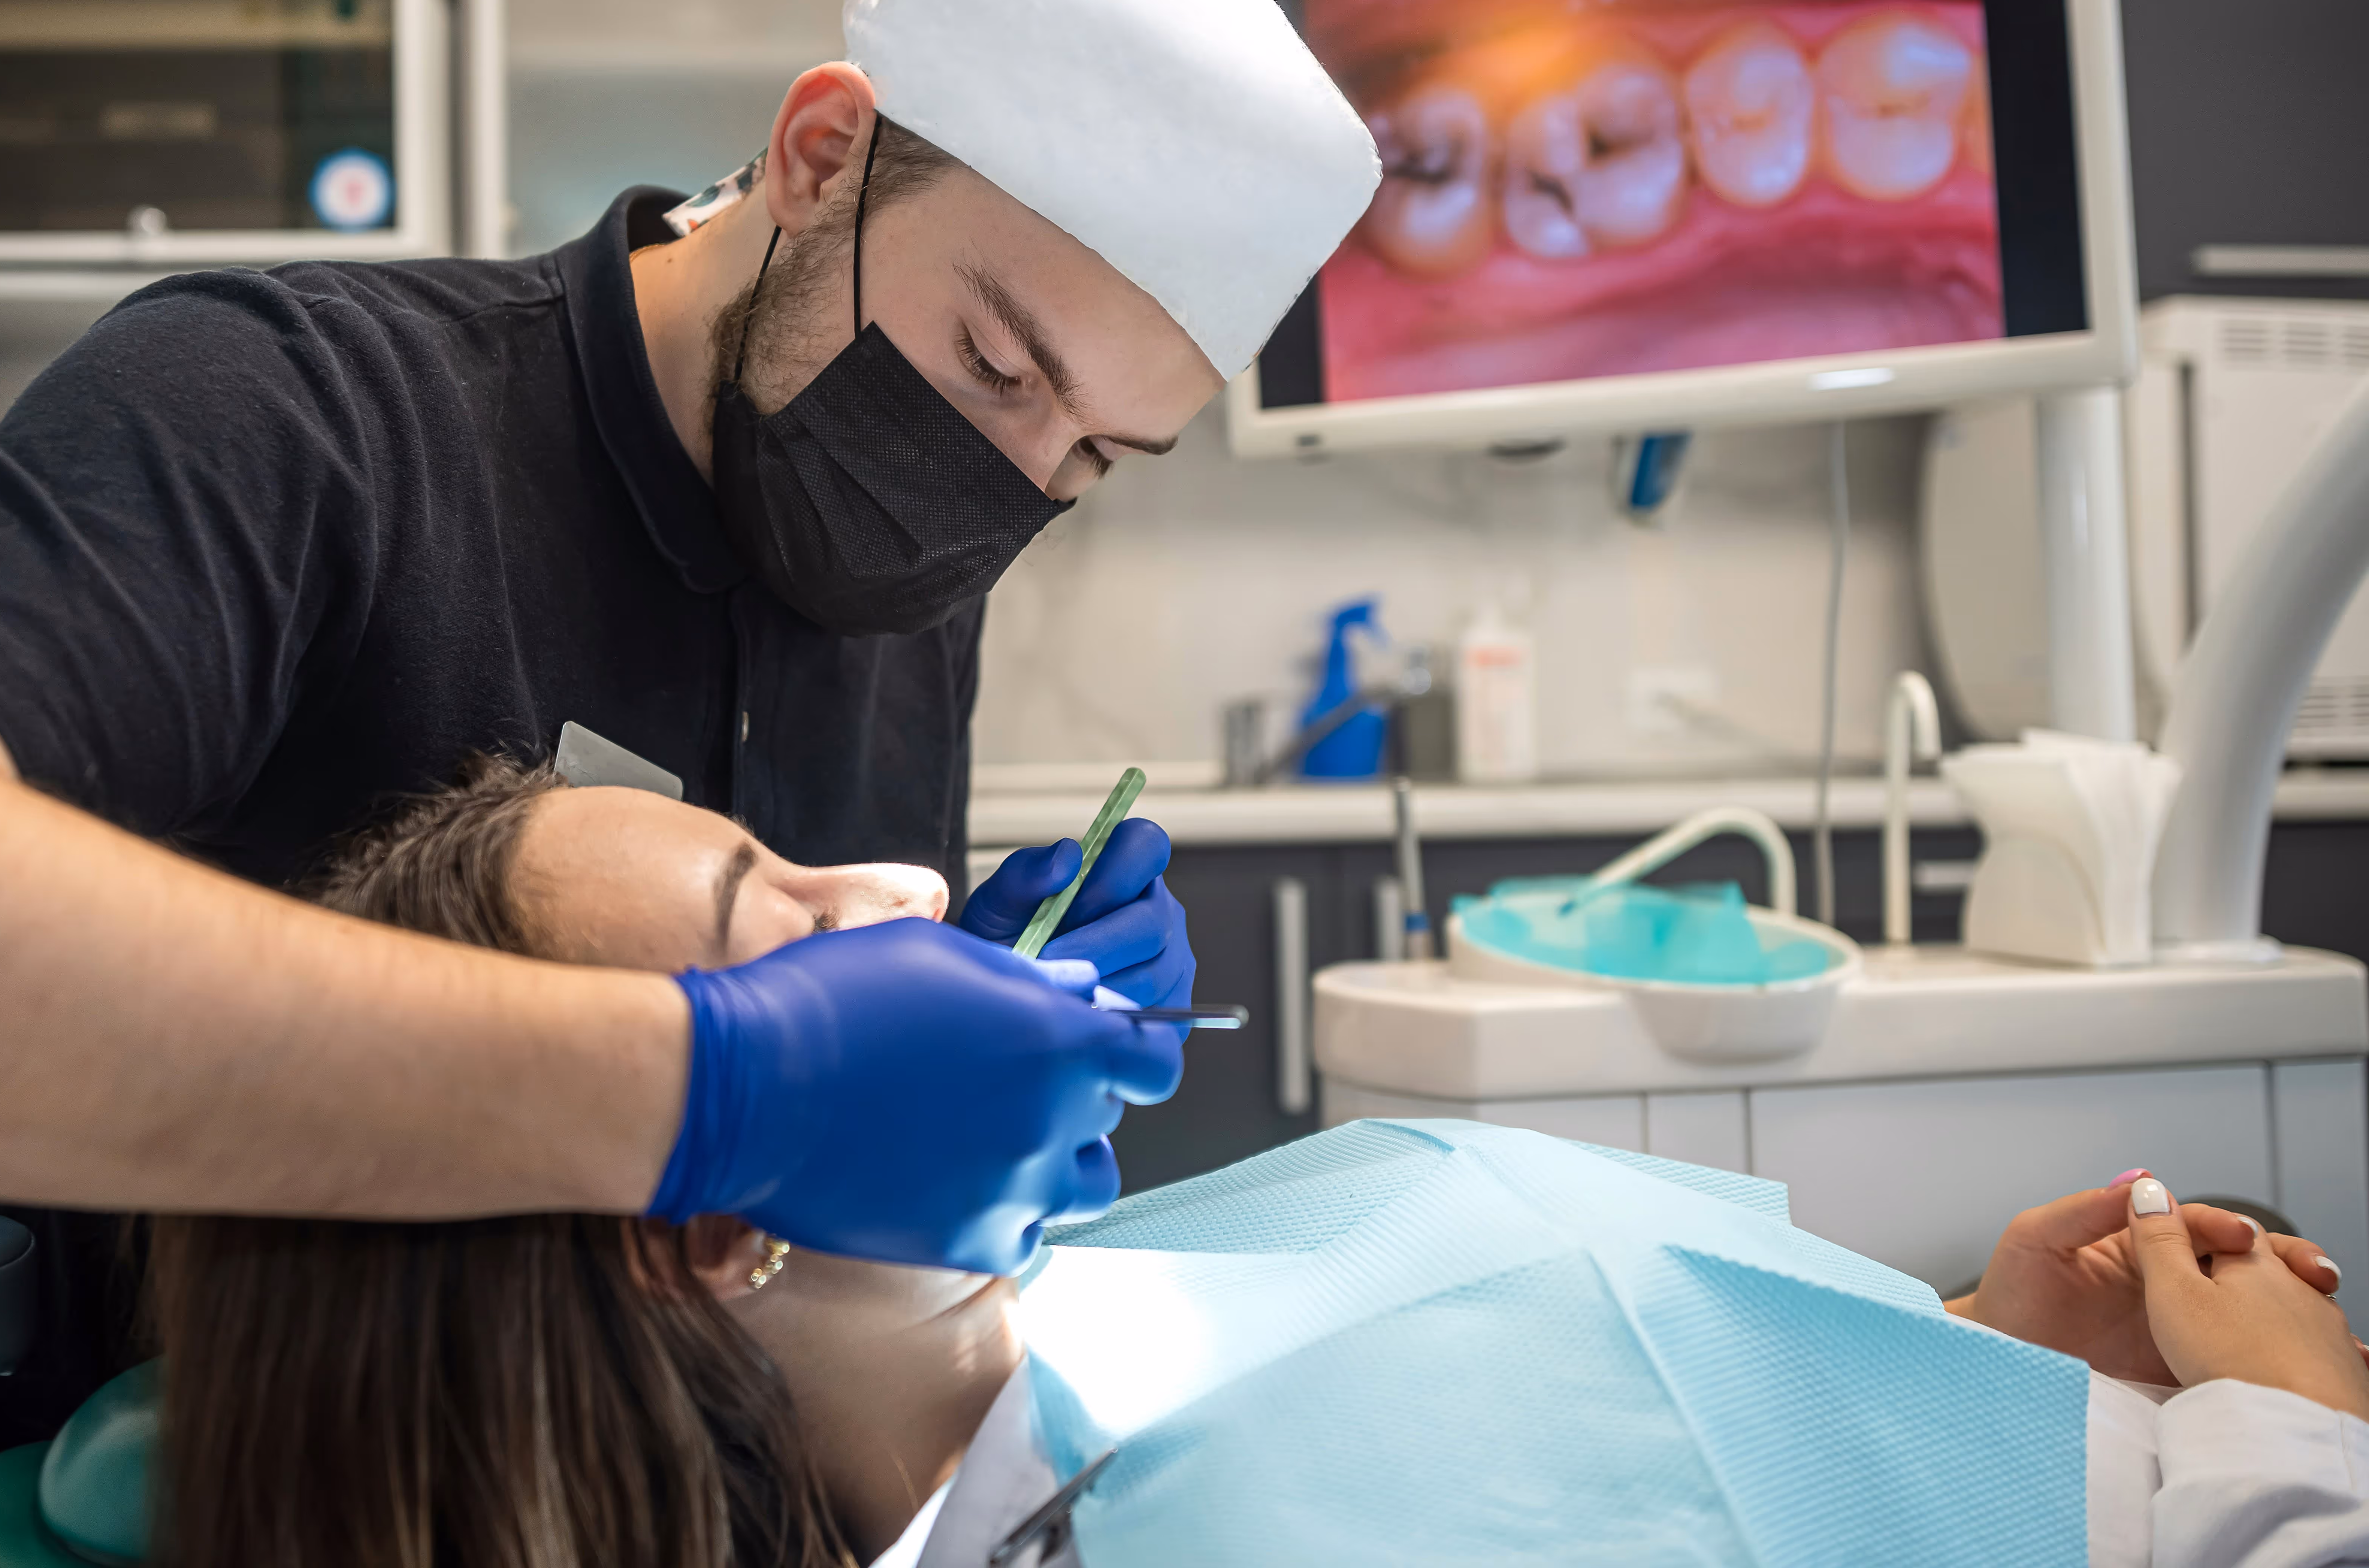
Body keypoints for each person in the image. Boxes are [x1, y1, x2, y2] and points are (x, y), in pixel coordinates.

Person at [0, 0, 1380, 1486]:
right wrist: (703, 1093)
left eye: (1094, 460)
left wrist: (963, 1012)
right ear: (823, 152)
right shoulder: (300, 419)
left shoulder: (912, 575)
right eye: (996, 362)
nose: (1008, 482)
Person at [125, 754, 2369, 1568]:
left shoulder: (1072, 1358)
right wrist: (2289, 1442)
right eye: (779, 918)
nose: (905, 875)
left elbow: (1660, 1435)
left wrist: (1970, 1351)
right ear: (710, 1217)